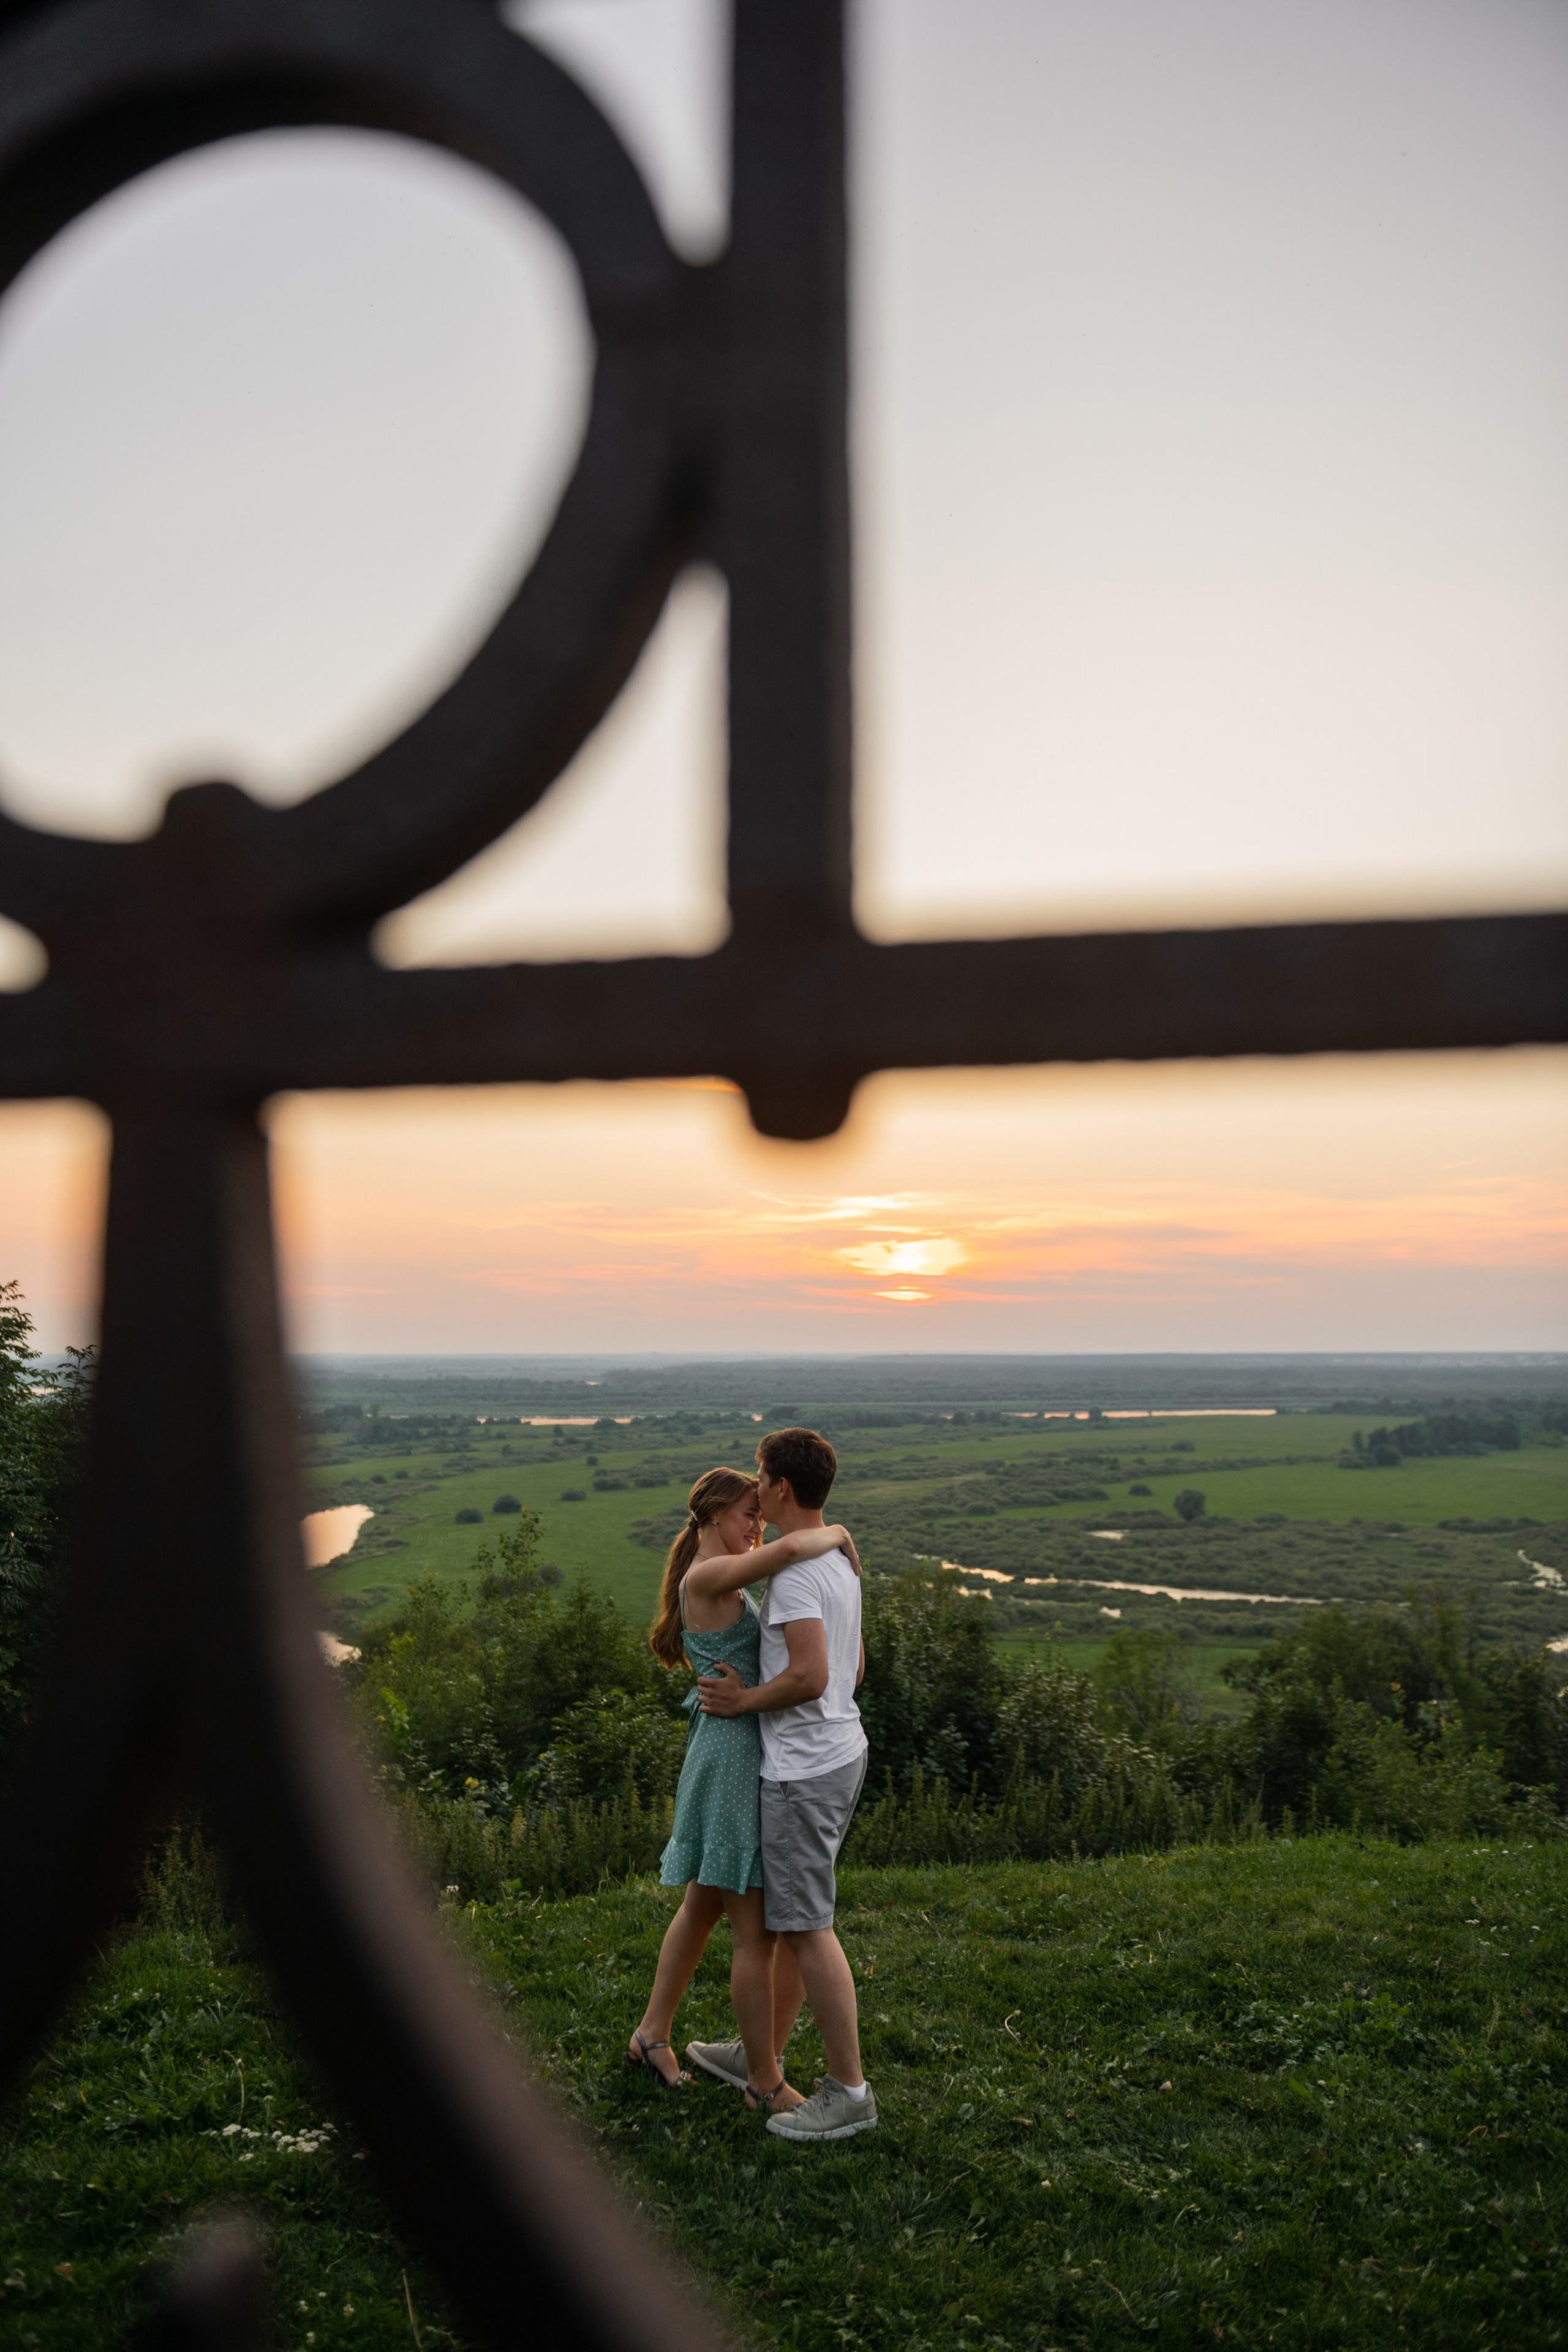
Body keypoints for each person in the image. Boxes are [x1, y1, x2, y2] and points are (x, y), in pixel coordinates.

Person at [627, 1466, 861, 2113]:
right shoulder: (704, 1575)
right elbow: (789, 1550)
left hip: (734, 1744)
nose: (755, 1528)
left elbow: (783, 1556)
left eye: (758, 1515)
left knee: (702, 1906)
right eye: (744, 1517)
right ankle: (762, 2081)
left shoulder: (723, 1566)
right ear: (709, 1519)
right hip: (731, 1756)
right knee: (754, 1936)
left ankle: (651, 2035)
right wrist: (837, 1531)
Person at [693, 1427, 877, 2142]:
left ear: (783, 1489)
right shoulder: (838, 1563)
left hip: (803, 1770)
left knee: (806, 1927)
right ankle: (758, 2049)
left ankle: (848, 2094)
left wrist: (744, 1702)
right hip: (840, 1751)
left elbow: (811, 1676)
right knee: (795, 1918)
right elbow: (851, 1669)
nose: (759, 1490)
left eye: (763, 1477)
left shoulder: (799, 1574)